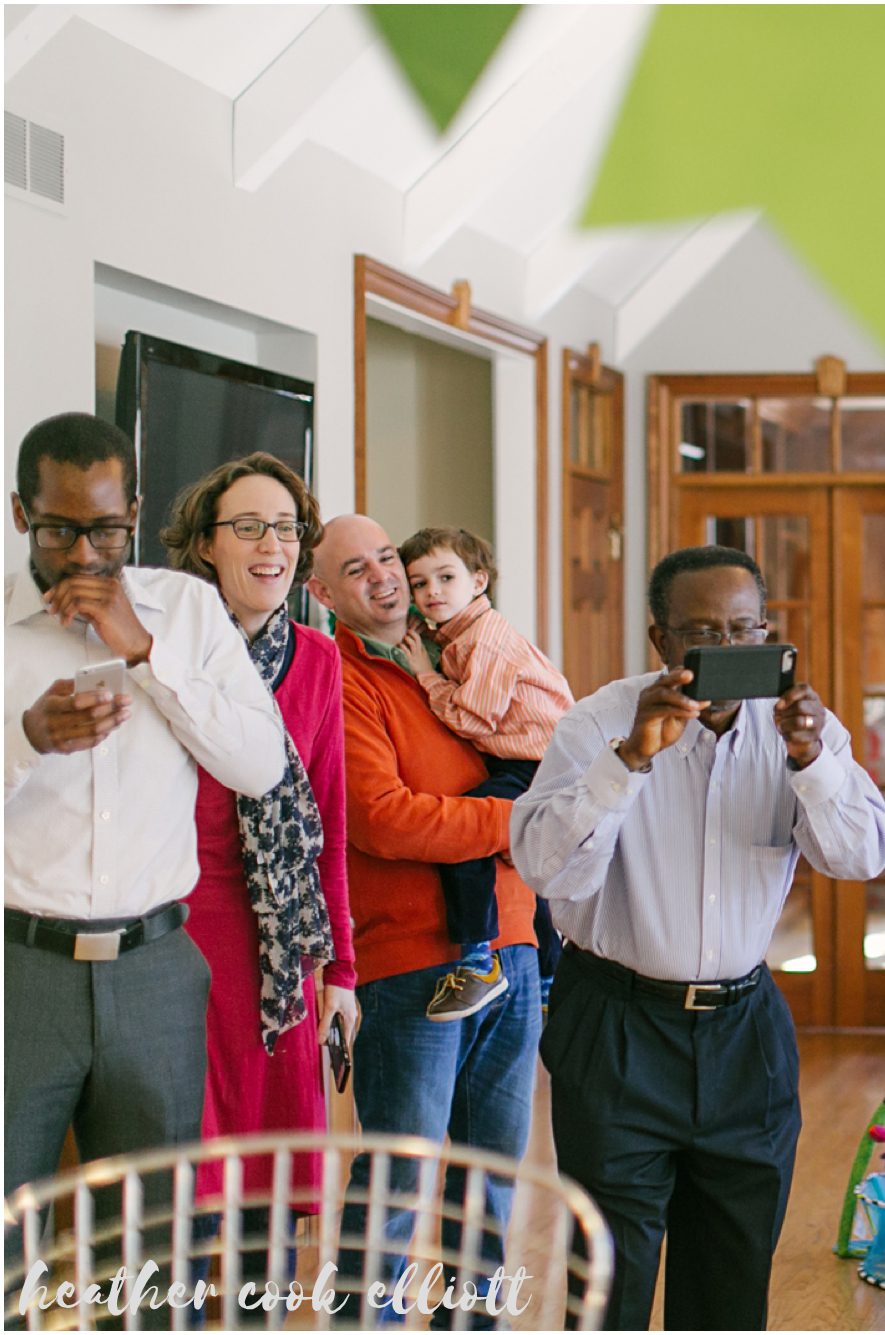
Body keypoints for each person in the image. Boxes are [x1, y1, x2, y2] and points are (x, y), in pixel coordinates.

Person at [512, 544, 885, 1330]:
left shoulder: (803, 731)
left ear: (768, 632)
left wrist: (812, 760)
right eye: (700, 635)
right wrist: (629, 762)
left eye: (742, 630)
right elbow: (549, 870)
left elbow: (860, 855)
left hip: (743, 1035)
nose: (724, 652)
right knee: (608, 1285)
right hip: (616, 1028)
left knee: (729, 1285)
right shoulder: (598, 724)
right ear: (660, 641)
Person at [5, 413, 286, 1197]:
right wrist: (24, 740)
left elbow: (261, 767)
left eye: (105, 529)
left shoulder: (189, 616)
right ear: (21, 513)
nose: (86, 554)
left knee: (151, 1246)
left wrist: (145, 652)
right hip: (17, 970)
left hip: (156, 968)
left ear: (133, 510)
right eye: (60, 530)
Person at [304, 514, 541, 1307]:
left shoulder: (457, 648)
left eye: (386, 558)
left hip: (514, 948)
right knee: (397, 1182)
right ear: (322, 591)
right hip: (413, 966)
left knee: (491, 1181)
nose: (385, 577)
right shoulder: (339, 676)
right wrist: (522, 823)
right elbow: (384, 816)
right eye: (355, 568)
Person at [157, 453, 357, 1289]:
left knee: (267, 1204)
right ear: (206, 543)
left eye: (285, 528)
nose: (271, 545)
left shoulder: (317, 657)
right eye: (248, 526)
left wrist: (341, 972)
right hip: (174, 939)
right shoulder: (164, 646)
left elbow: (330, 830)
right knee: (183, 1188)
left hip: (278, 951)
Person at [397, 525, 573, 1020]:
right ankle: (549, 976)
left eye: (445, 577)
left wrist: (424, 675)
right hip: (528, 760)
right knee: (522, 865)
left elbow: (473, 717)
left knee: (460, 835)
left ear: (478, 582)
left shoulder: (488, 639)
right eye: (419, 583)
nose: (432, 592)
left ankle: (478, 961)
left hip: (539, 764)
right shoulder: (456, 632)